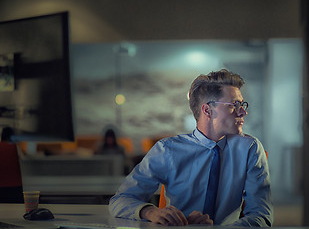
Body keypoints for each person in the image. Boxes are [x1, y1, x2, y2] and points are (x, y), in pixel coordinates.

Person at [109, 69, 273, 227]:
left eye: (242, 104)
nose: (243, 112)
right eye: (234, 104)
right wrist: (150, 212)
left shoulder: (250, 149)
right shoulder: (168, 150)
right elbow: (121, 200)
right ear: (207, 110)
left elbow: (261, 216)